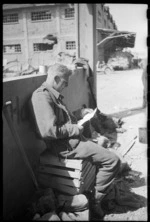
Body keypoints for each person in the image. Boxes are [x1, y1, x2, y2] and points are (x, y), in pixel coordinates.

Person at [30, 63, 121, 218]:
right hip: (66, 146)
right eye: (65, 82)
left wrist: (80, 113)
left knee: (103, 150)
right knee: (113, 161)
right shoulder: (42, 96)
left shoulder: (52, 94)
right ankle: (95, 201)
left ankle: (94, 191)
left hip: (72, 141)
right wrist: (75, 129)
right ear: (56, 78)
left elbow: (62, 118)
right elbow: (48, 131)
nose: (66, 86)